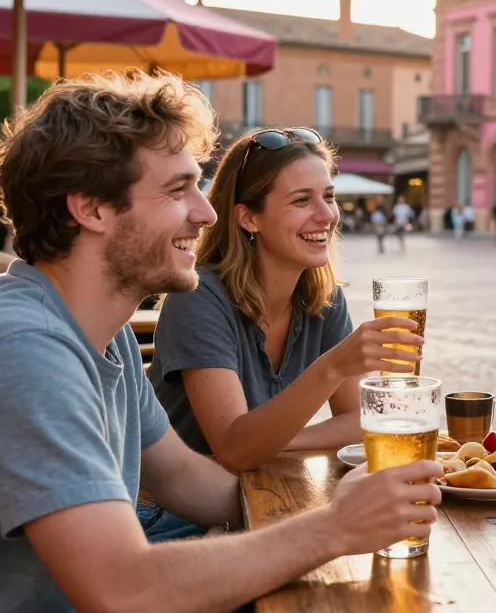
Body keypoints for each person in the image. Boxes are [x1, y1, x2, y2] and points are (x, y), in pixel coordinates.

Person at [0, 72, 442, 612]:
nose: (207, 212)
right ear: (91, 208)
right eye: (176, 189)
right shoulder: (28, 349)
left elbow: (190, 481)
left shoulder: (102, 337)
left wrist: (333, 504)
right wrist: (334, 528)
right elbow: (122, 588)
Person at [148, 127, 423, 484]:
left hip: (258, 496)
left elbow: (360, 420)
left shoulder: (323, 297)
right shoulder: (199, 298)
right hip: (177, 516)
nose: (327, 216)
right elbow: (234, 450)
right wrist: (333, 367)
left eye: (329, 196)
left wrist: (278, 442)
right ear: (249, 218)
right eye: (301, 200)